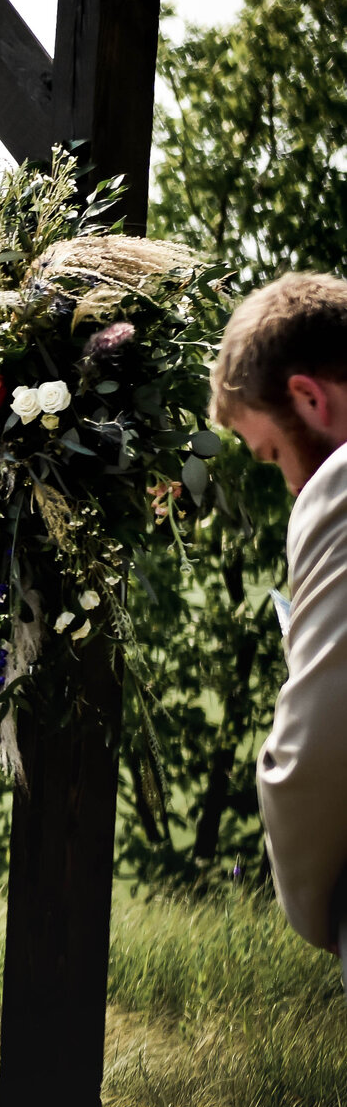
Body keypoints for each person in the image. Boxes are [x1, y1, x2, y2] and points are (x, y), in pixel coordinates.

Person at [210, 272, 347, 965]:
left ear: (308, 397)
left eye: (273, 455)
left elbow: (312, 755)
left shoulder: (338, 489)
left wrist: (316, 911)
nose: (291, 484)